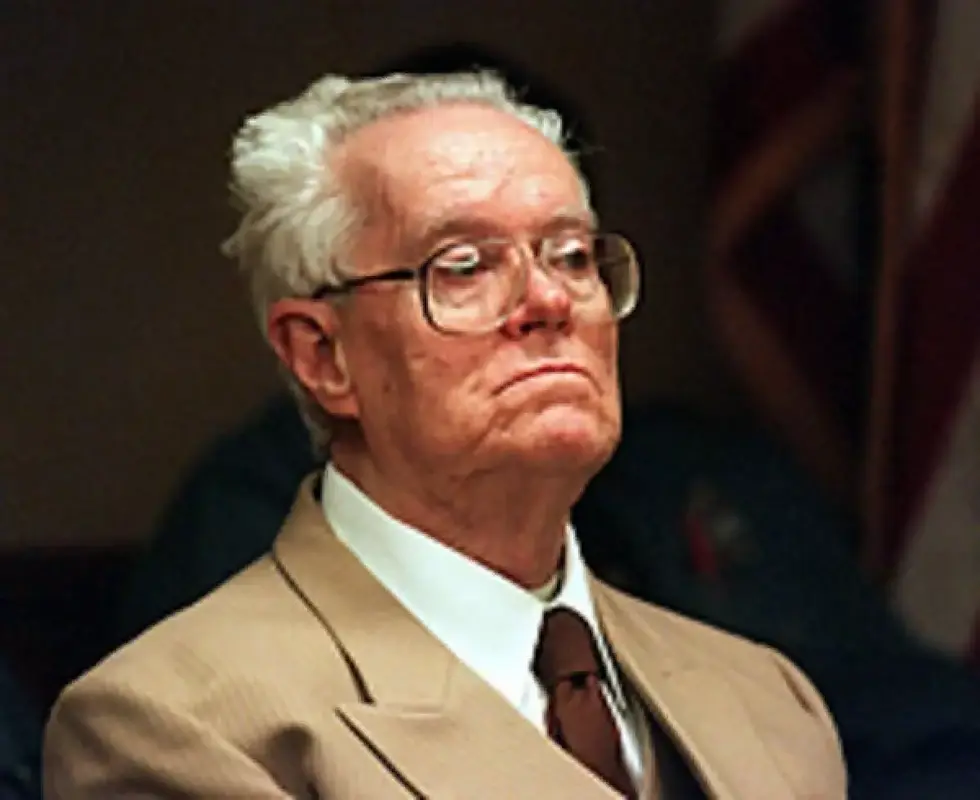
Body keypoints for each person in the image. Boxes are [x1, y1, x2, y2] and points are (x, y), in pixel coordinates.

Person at [43, 69, 847, 798]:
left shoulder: (771, 700)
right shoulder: (176, 727)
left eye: (571, 256)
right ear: (323, 355)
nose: (549, 301)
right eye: (462, 266)